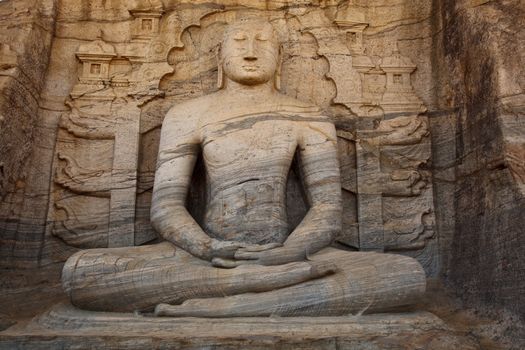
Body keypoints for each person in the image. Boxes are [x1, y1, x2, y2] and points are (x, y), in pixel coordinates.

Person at [62, 18, 425, 317]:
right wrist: (205, 247)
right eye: (239, 41)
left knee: (404, 275)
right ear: (221, 56)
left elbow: (328, 209)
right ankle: (264, 294)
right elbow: (166, 207)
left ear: (279, 57)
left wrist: (292, 251)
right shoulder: (187, 115)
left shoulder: (307, 116)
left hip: (288, 256)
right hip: (206, 260)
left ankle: (224, 302)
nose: (251, 50)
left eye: (263, 42)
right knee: (82, 273)